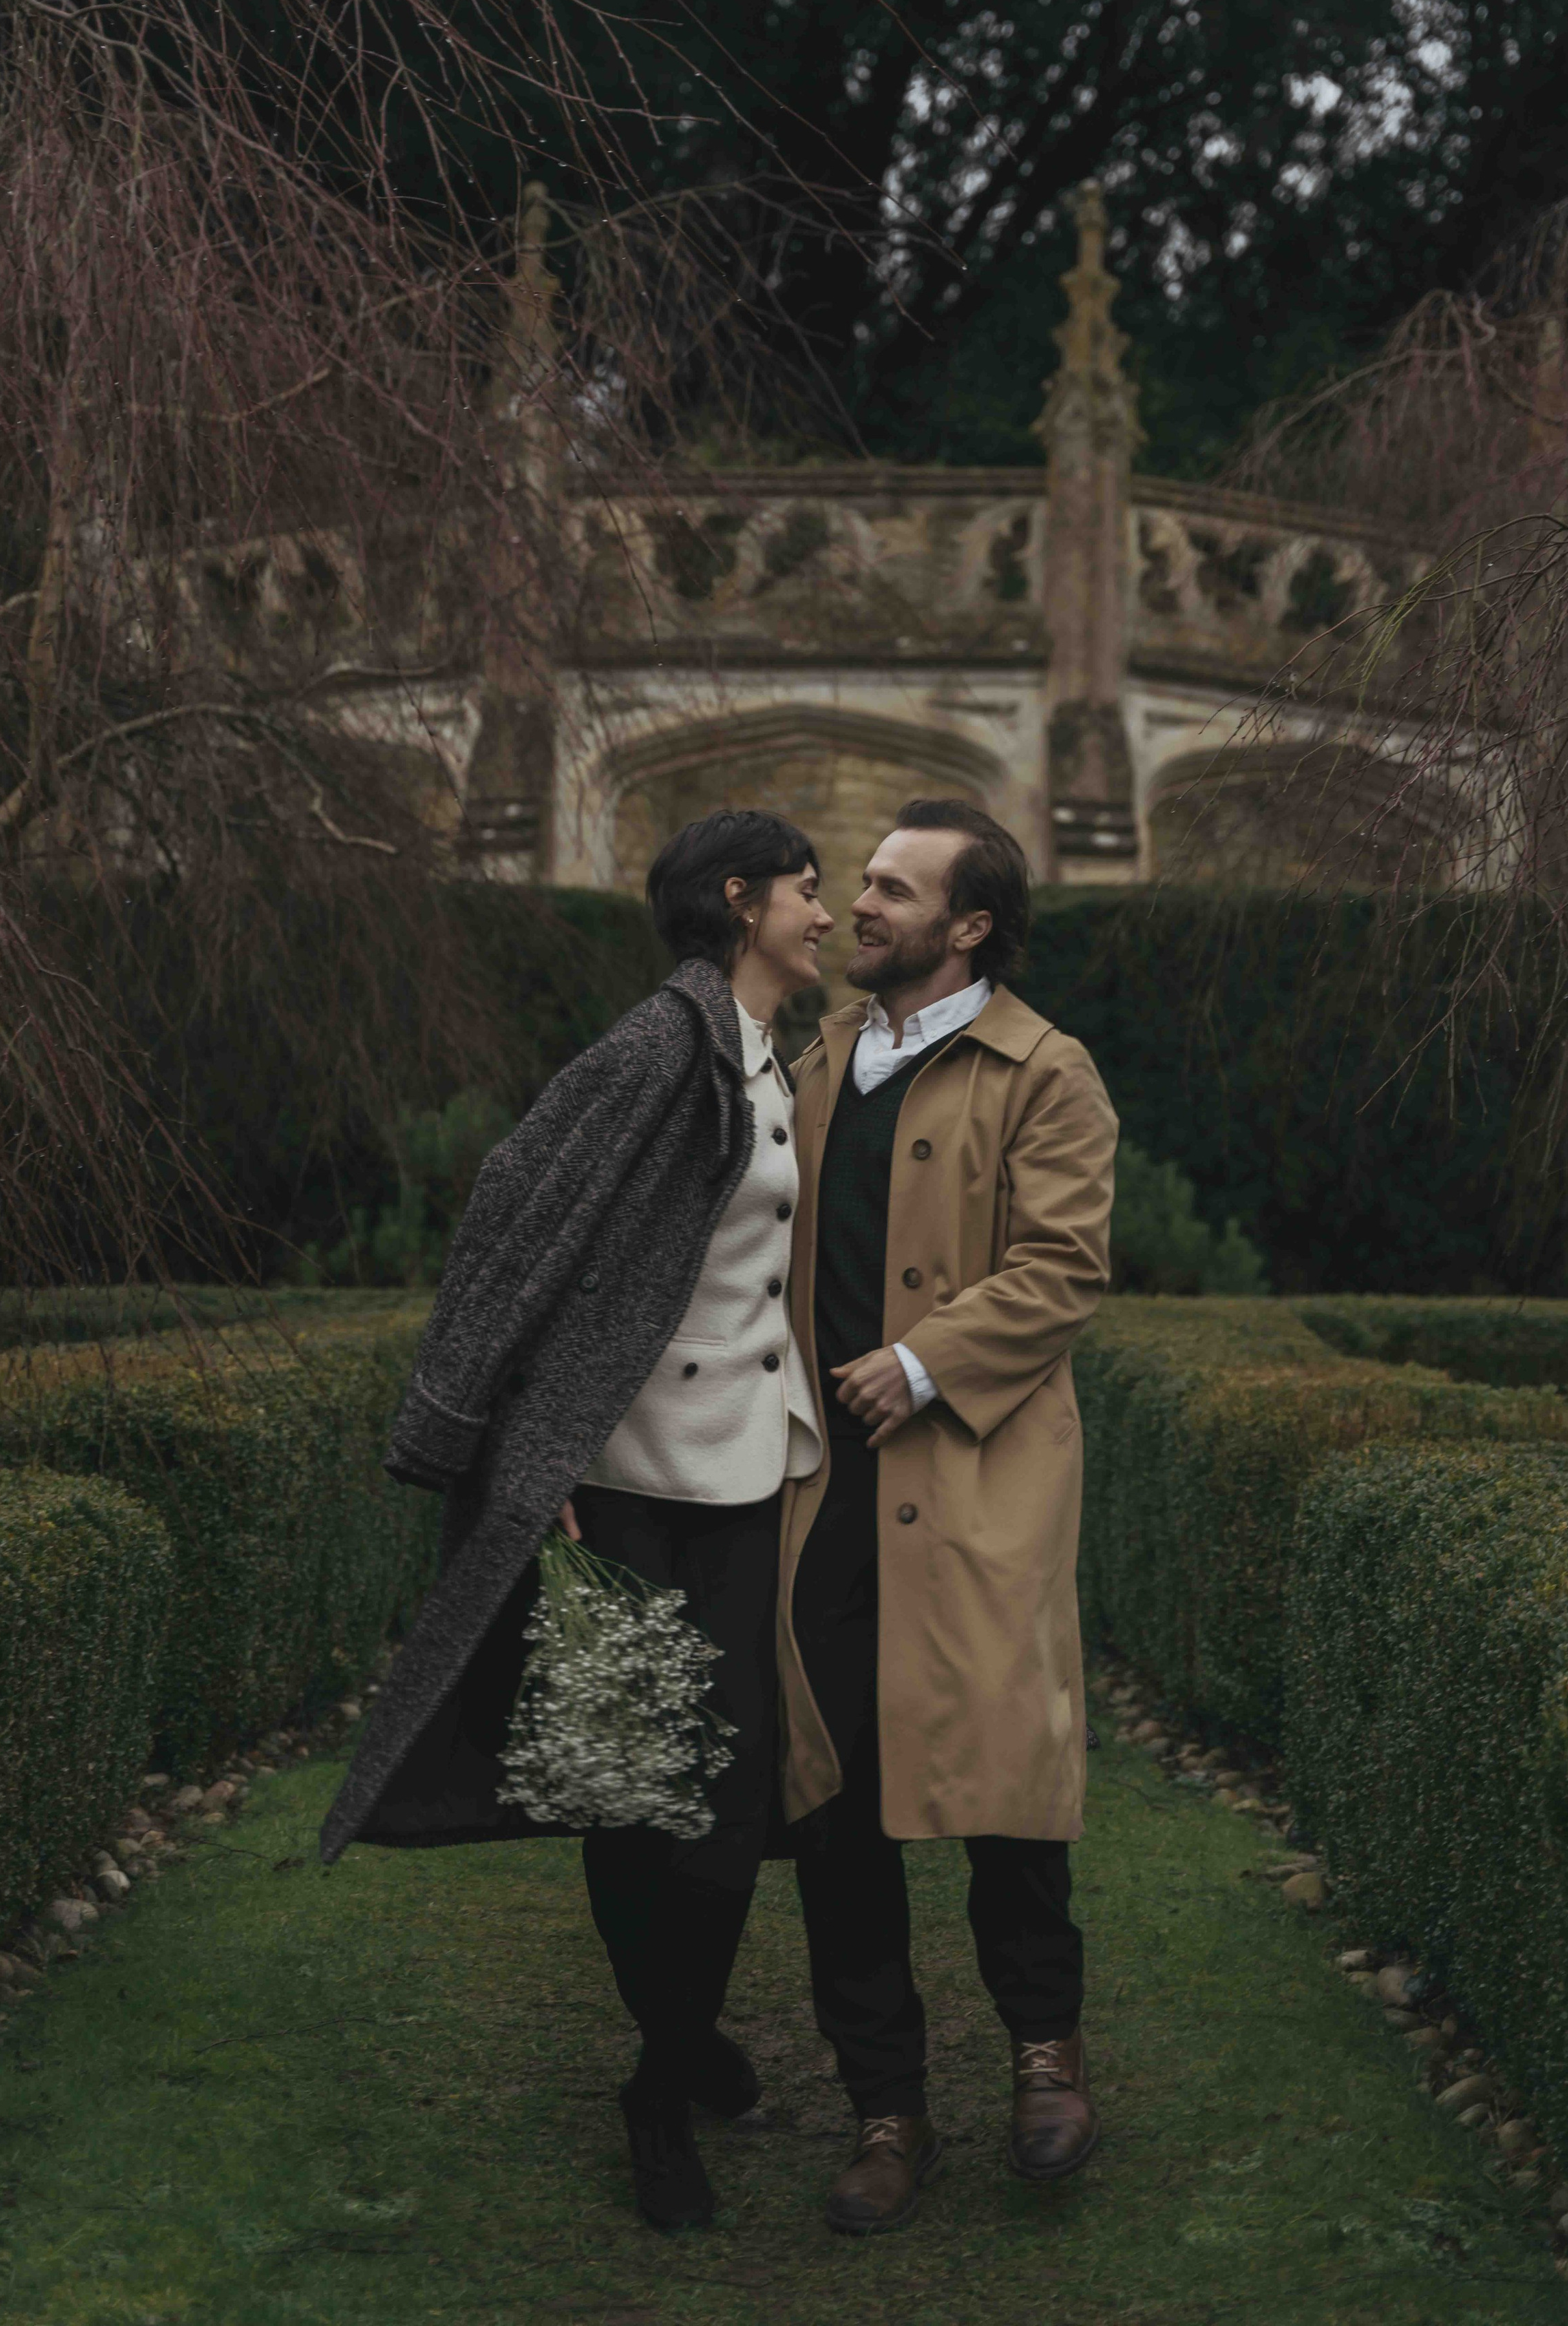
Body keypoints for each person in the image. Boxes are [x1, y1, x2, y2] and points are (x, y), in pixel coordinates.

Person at [321, 809, 834, 2236]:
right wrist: (491, 1438)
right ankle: (667, 2084)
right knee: (625, 1790)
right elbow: (510, 1203)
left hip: (739, 1470)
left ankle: (665, 2059)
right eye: (806, 888)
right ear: (738, 903)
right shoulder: (653, 1048)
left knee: (723, 1802)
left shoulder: (773, 1059)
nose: (826, 910)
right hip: (610, 1479)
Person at [778, 796, 1118, 2236]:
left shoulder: (1046, 1070)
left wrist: (919, 1366)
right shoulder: (817, 1064)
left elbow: (1063, 1266)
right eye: (859, 882)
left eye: (891, 888)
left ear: (966, 925)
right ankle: (884, 2106)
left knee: (1002, 1790)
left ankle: (1045, 2062)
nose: (859, 903)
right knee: (835, 1807)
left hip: (973, 1476)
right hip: (818, 1493)